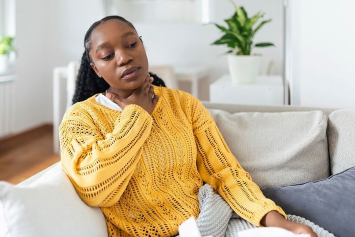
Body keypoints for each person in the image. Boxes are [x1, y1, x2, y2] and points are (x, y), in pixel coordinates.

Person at [59, 15, 317, 237]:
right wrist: (138, 116)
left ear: (142, 44)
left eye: (131, 44)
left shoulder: (183, 105)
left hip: (208, 223)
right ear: (95, 68)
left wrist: (277, 222)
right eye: (107, 55)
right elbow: (94, 188)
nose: (124, 57)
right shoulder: (81, 118)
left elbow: (225, 173)